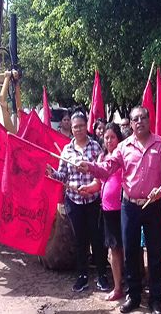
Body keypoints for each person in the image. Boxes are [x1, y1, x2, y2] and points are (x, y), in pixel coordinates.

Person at [78, 106, 161, 314]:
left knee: (155, 253)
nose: (139, 122)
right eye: (135, 119)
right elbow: (107, 168)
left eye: (143, 118)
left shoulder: (160, 144)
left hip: (153, 206)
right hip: (129, 206)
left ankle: (156, 299)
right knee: (129, 252)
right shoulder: (124, 147)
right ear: (130, 123)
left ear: (149, 119)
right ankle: (134, 296)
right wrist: (90, 166)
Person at [46, 112, 110, 293]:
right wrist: (52, 173)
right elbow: (62, 176)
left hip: (92, 201)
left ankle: (102, 275)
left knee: (96, 239)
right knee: (80, 240)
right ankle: (82, 276)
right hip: (74, 201)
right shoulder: (67, 150)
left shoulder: (96, 147)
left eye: (81, 125)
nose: (78, 129)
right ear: (71, 129)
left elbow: (102, 173)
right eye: (75, 127)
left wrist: (91, 185)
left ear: (86, 126)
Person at [94, 123, 125, 301]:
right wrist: (84, 188)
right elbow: (97, 184)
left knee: (129, 248)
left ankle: (135, 283)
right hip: (107, 211)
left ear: (118, 138)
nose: (109, 140)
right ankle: (118, 287)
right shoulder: (101, 158)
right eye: (106, 137)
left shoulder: (122, 156)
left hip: (124, 209)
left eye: (112, 137)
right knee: (114, 250)